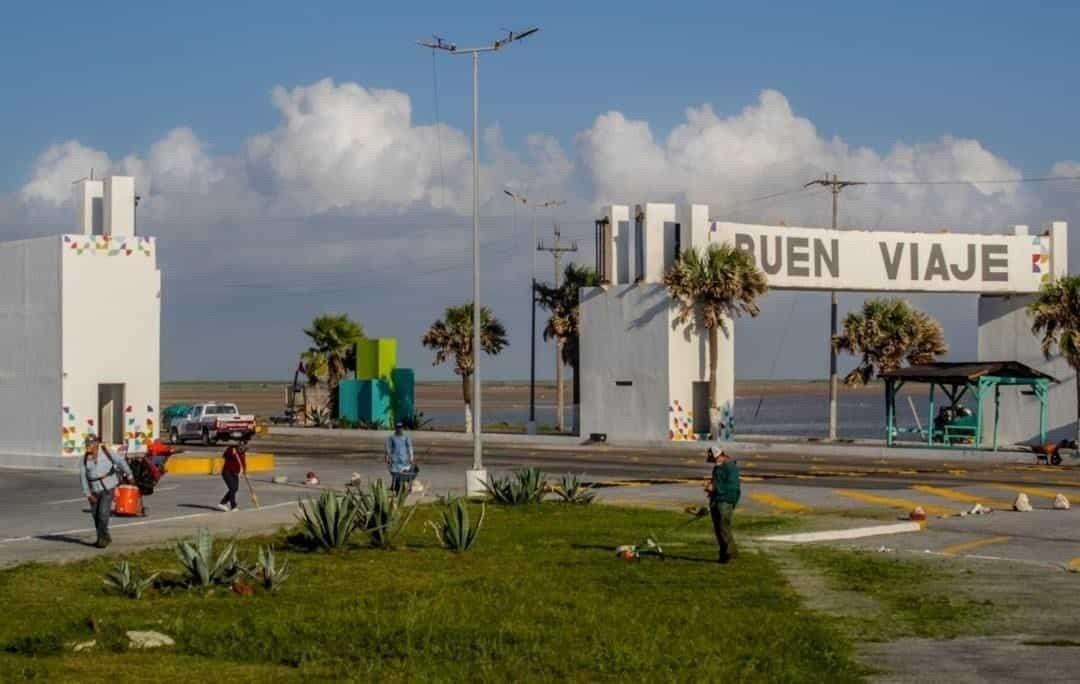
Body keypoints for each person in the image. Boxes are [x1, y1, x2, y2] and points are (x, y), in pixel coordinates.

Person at [80, 435, 134, 548]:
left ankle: (102, 541)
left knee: (103, 514)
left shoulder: (106, 451)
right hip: (94, 490)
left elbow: (120, 461)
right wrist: (88, 494)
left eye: (89, 444)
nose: (87, 446)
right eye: (86, 444)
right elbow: (83, 478)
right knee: (95, 516)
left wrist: (129, 475)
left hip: (108, 487)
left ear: (96, 443)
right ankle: (103, 537)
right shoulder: (84, 458)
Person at [704, 447, 740, 564]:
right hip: (717, 499)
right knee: (718, 528)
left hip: (726, 500)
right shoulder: (718, 467)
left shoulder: (731, 468)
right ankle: (727, 553)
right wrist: (711, 486)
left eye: (714, 458)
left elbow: (733, 488)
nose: (713, 461)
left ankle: (728, 553)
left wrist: (714, 487)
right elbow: (718, 482)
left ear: (721, 456)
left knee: (723, 526)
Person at [385, 421, 416, 495]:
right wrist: (387, 457)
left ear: (402, 428)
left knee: (406, 475)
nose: (399, 429)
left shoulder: (406, 438)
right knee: (395, 475)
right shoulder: (391, 438)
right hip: (395, 460)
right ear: (395, 428)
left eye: (400, 427)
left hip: (404, 460)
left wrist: (411, 457)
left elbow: (410, 447)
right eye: (398, 428)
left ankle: (407, 487)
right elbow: (388, 448)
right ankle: (394, 486)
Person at [218, 440, 248, 511]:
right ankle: (233, 506)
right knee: (232, 488)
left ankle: (222, 503)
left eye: (245, 447)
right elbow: (224, 456)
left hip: (235, 473)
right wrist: (231, 453)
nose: (243, 448)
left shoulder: (243, 453)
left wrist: (244, 471)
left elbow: (243, 462)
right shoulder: (231, 449)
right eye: (242, 446)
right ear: (239, 445)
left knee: (235, 489)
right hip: (227, 472)